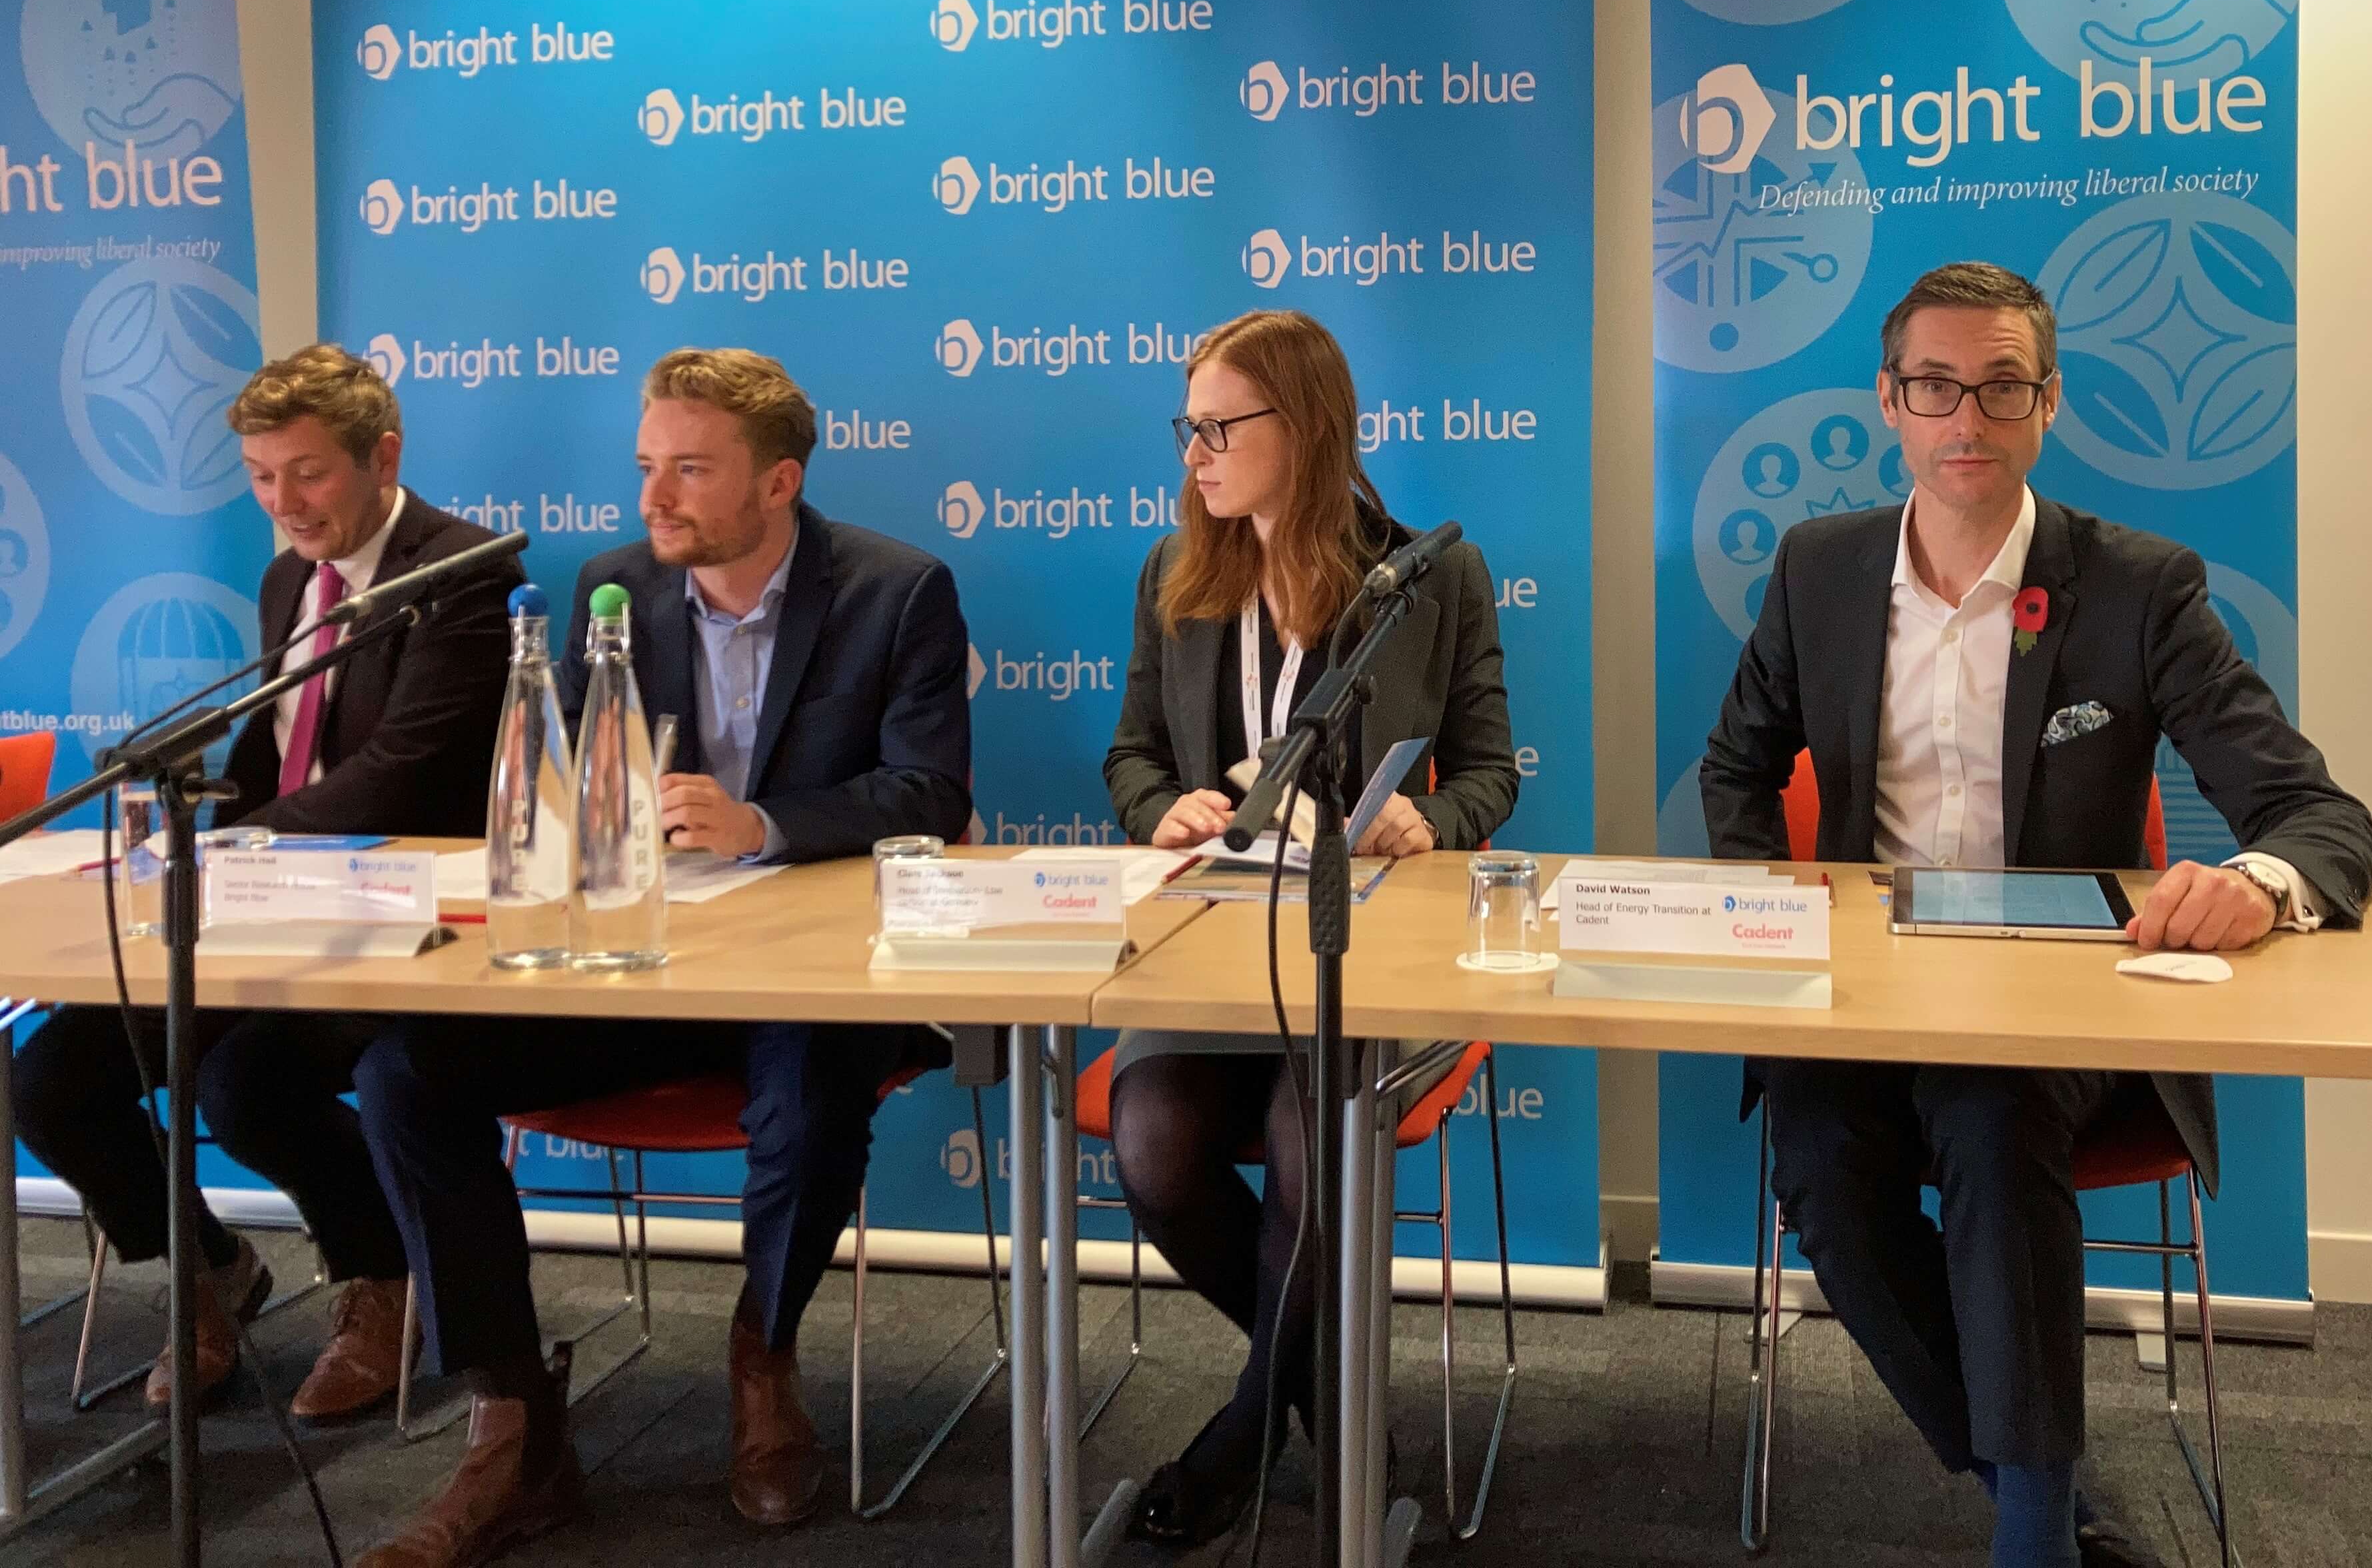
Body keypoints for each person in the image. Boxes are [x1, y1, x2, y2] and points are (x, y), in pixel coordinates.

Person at [1700, 263, 2372, 1568]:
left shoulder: (2137, 586)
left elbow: (2320, 818)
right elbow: (1738, 767)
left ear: (2049, 402)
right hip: (1860, 1000)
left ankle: (2033, 1533)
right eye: (1936, 386)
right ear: (1890, 402)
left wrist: (2257, 884)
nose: (1969, 417)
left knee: (1989, 1111)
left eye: (2003, 386)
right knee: (1822, 1154)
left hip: (2061, 1009)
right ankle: (2046, 1490)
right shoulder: (1819, 571)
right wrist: (1771, 907)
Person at [351, 349, 970, 1568]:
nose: (654, 497)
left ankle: (763, 1352)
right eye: (647, 466)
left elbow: (930, 793)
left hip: (814, 975)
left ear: (780, 482)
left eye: (690, 469)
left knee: (809, 1087)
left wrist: (763, 823)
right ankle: (513, 1414)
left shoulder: (897, 591)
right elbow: (578, 791)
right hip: (643, 967)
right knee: (402, 1071)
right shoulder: (612, 588)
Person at [14, 344, 520, 1419]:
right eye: (259, 476)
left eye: (309, 473)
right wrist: (190, 841)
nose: (283, 502)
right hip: (269, 906)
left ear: (383, 457)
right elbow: (276, 745)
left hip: (405, 920)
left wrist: (232, 849)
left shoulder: (464, 574)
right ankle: (212, 1274)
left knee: (246, 1084)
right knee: (54, 1077)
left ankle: (385, 1282)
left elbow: (398, 775)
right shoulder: (291, 576)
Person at [1102, 309, 1519, 1547]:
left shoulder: (1428, 577)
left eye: (1221, 428)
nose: (1196, 454)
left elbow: (1492, 773)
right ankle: (1318, 1398)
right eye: (1188, 428)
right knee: (1152, 1149)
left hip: (1364, 955)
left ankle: (1244, 1428)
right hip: (1211, 948)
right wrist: (1162, 809)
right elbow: (1131, 757)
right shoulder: (1174, 575)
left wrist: (1433, 819)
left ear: (1306, 425)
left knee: (1309, 1145)